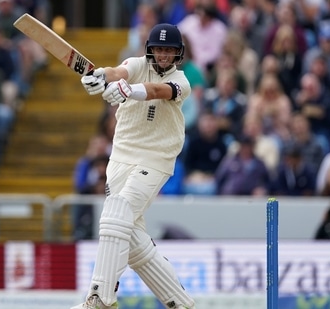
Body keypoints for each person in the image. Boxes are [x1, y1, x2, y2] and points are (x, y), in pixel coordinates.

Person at [76, 23, 194, 309]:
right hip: (121, 156)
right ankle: (181, 303)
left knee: (118, 211)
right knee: (130, 238)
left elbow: (157, 90)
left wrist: (129, 90)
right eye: (159, 49)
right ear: (150, 50)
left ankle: (100, 297)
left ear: (178, 54)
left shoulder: (182, 81)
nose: (163, 56)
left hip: (156, 158)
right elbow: (118, 72)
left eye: (169, 51)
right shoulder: (136, 64)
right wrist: (100, 76)